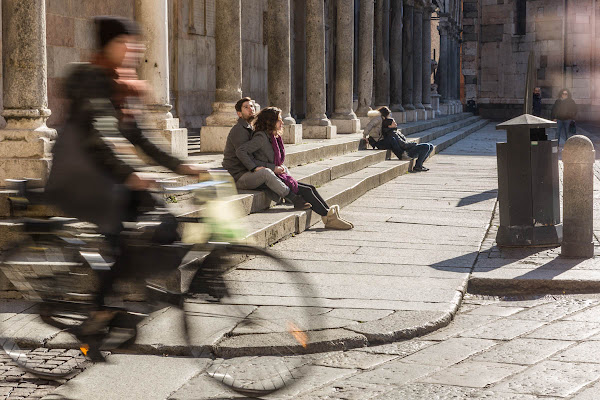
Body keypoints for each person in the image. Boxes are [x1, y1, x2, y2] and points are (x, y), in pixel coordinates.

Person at [45, 16, 204, 338]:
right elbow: (99, 136)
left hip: (107, 173)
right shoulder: (93, 80)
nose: (132, 49)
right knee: (119, 233)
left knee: (163, 219)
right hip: (81, 175)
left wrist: (181, 166)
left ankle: (123, 297)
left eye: (135, 42)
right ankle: (102, 309)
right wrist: (130, 174)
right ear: (107, 45)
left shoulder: (123, 83)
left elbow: (140, 137)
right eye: (123, 42)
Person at [237, 107, 353, 230]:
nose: (282, 123)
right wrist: (256, 167)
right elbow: (241, 151)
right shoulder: (261, 137)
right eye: (279, 120)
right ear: (270, 121)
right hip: (266, 178)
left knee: (310, 188)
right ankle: (328, 217)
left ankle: (329, 215)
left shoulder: (273, 137)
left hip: (277, 175)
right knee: (306, 191)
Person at [222, 97, 309, 209]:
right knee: (266, 173)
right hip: (238, 176)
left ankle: (290, 192)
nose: (251, 109)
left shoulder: (251, 128)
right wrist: (255, 168)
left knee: (283, 168)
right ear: (239, 114)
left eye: (252, 106)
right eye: (246, 107)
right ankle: (294, 198)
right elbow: (241, 153)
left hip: (248, 173)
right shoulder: (239, 130)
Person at [364, 107, 433, 172]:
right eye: (394, 122)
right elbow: (369, 126)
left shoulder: (390, 127)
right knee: (426, 146)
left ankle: (419, 165)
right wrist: (365, 135)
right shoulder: (380, 120)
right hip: (378, 141)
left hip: (380, 139)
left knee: (430, 146)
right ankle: (408, 159)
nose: (396, 123)